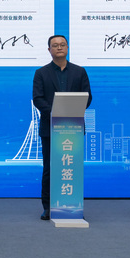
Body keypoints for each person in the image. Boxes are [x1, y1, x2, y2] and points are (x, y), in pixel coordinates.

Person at [32, 35, 91, 220]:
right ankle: (48, 207)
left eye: (62, 45)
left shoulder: (80, 71)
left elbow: (87, 97)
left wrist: (70, 111)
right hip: (50, 128)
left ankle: (72, 204)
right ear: (49, 50)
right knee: (50, 168)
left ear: (67, 48)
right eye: (55, 45)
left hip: (73, 128)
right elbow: (38, 99)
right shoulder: (41, 73)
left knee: (71, 167)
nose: (59, 48)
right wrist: (57, 112)